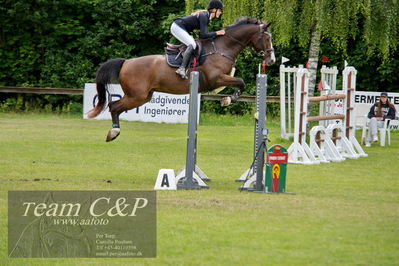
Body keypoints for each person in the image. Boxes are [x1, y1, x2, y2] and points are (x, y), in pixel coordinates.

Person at [170, 0, 225, 79]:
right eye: (219, 10)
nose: (220, 13)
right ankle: (181, 68)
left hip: (179, 27)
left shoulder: (206, 16)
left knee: (193, 43)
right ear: (214, 10)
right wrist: (217, 33)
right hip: (177, 26)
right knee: (192, 44)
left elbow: (203, 35)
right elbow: (203, 35)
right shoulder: (204, 16)